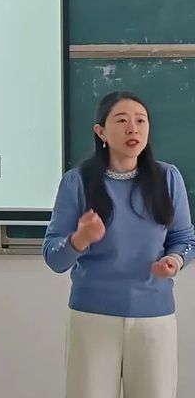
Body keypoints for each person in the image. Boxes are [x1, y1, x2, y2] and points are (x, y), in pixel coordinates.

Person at [43, 90, 195, 398]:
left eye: (141, 121)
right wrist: (78, 240)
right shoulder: (77, 181)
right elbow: (54, 258)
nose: (133, 129)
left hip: (154, 318)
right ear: (101, 132)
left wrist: (175, 260)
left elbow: (185, 239)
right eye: (122, 120)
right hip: (93, 318)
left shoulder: (167, 178)